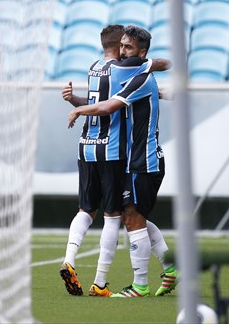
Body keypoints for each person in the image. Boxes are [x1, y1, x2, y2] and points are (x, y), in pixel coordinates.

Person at [60, 25, 173, 297]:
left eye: (129, 47)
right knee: (129, 215)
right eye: (122, 46)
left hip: (137, 158)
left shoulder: (124, 73)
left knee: (127, 217)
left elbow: (107, 104)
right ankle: (169, 269)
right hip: (124, 157)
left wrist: (78, 108)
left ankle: (136, 284)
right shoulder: (132, 71)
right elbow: (108, 99)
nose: (124, 51)